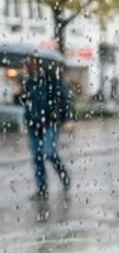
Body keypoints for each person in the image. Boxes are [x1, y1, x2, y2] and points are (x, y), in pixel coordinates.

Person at [18, 56, 74, 201]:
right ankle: (42, 189)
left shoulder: (52, 80)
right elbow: (23, 102)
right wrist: (18, 93)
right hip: (33, 124)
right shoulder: (27, 82)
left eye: (33, 63)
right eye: (28, 64)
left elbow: (65, 98)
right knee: (37, 157)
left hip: (49, 122)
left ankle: (64, 176)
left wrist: (68, 118)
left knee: (49, 152)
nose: (30, 66)